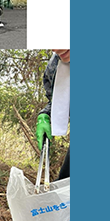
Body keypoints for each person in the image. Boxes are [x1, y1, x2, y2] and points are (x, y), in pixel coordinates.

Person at [36, 49, 70, 180]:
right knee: (65, 183)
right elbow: (56, 101)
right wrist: (46, 115)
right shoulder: (54, 66)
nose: (56, 48)